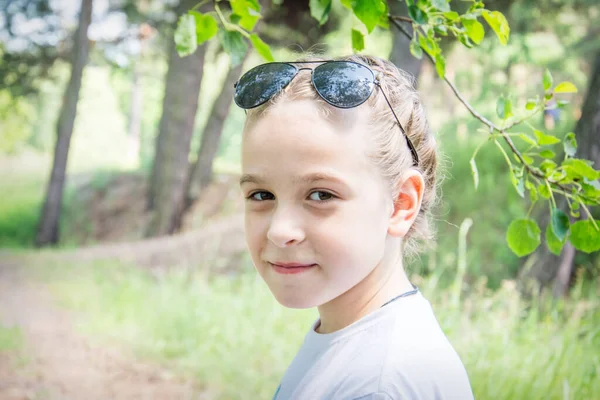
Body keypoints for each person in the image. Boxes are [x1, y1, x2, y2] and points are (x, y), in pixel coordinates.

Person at [234, 54, 474, 400]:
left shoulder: (381, 383)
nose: (279, 230)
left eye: (320, 194)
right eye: (261, 194)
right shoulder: (353, 342)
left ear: (401, 203)